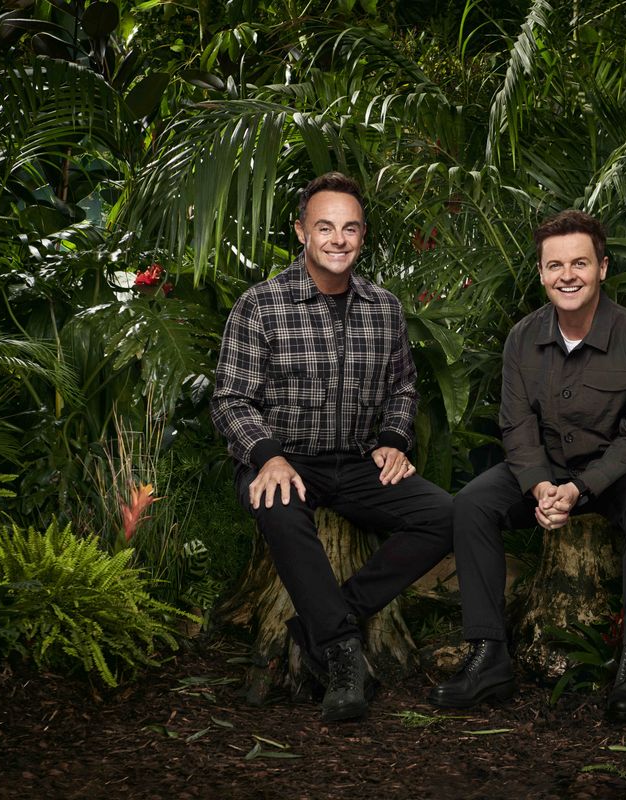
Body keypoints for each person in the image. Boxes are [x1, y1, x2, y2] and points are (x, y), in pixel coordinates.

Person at [211, 172, 452, 723]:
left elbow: (403, 387)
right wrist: (267, 455)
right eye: (325, 227)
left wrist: (394, 439)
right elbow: (229, 398)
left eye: (350, 228)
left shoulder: (384, 308)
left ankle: (320, 623)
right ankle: (343, 654)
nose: (338, 239)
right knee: (275, 501)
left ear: (362, 237)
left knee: (445, 516)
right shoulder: (262, 305)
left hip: (358, 462)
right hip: (284, 459)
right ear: (301, 232)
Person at [429, 210, 626, 723]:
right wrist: (541, 485)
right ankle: (489, 653)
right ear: (541, 274)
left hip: (620, 473)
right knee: (472, 504)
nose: (568, 275)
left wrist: (580, 489)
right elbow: (515, 426)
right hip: (545, 469)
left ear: (602, 268)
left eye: (580, 263)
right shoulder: (522, 338)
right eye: (555, 265)